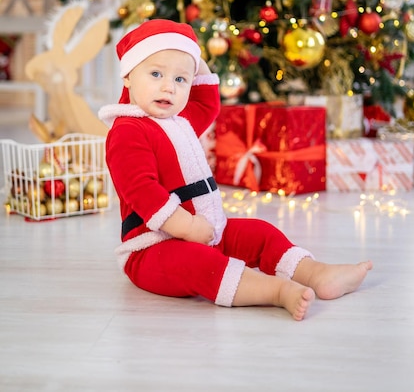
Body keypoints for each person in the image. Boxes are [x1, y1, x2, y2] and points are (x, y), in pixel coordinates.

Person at [99, 19, 372, 321]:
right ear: (127, 76)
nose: (168, 86)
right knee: (199, 263)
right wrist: (188, 228)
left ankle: (316, 273)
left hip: (207, 231)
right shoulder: (127, 130)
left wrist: (191, 54)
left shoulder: (179, 120)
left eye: (180, 80)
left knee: (260, 233)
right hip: (153, 247)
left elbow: (207, 102)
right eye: (155, 73)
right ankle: (276, 291)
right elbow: (142, 192)